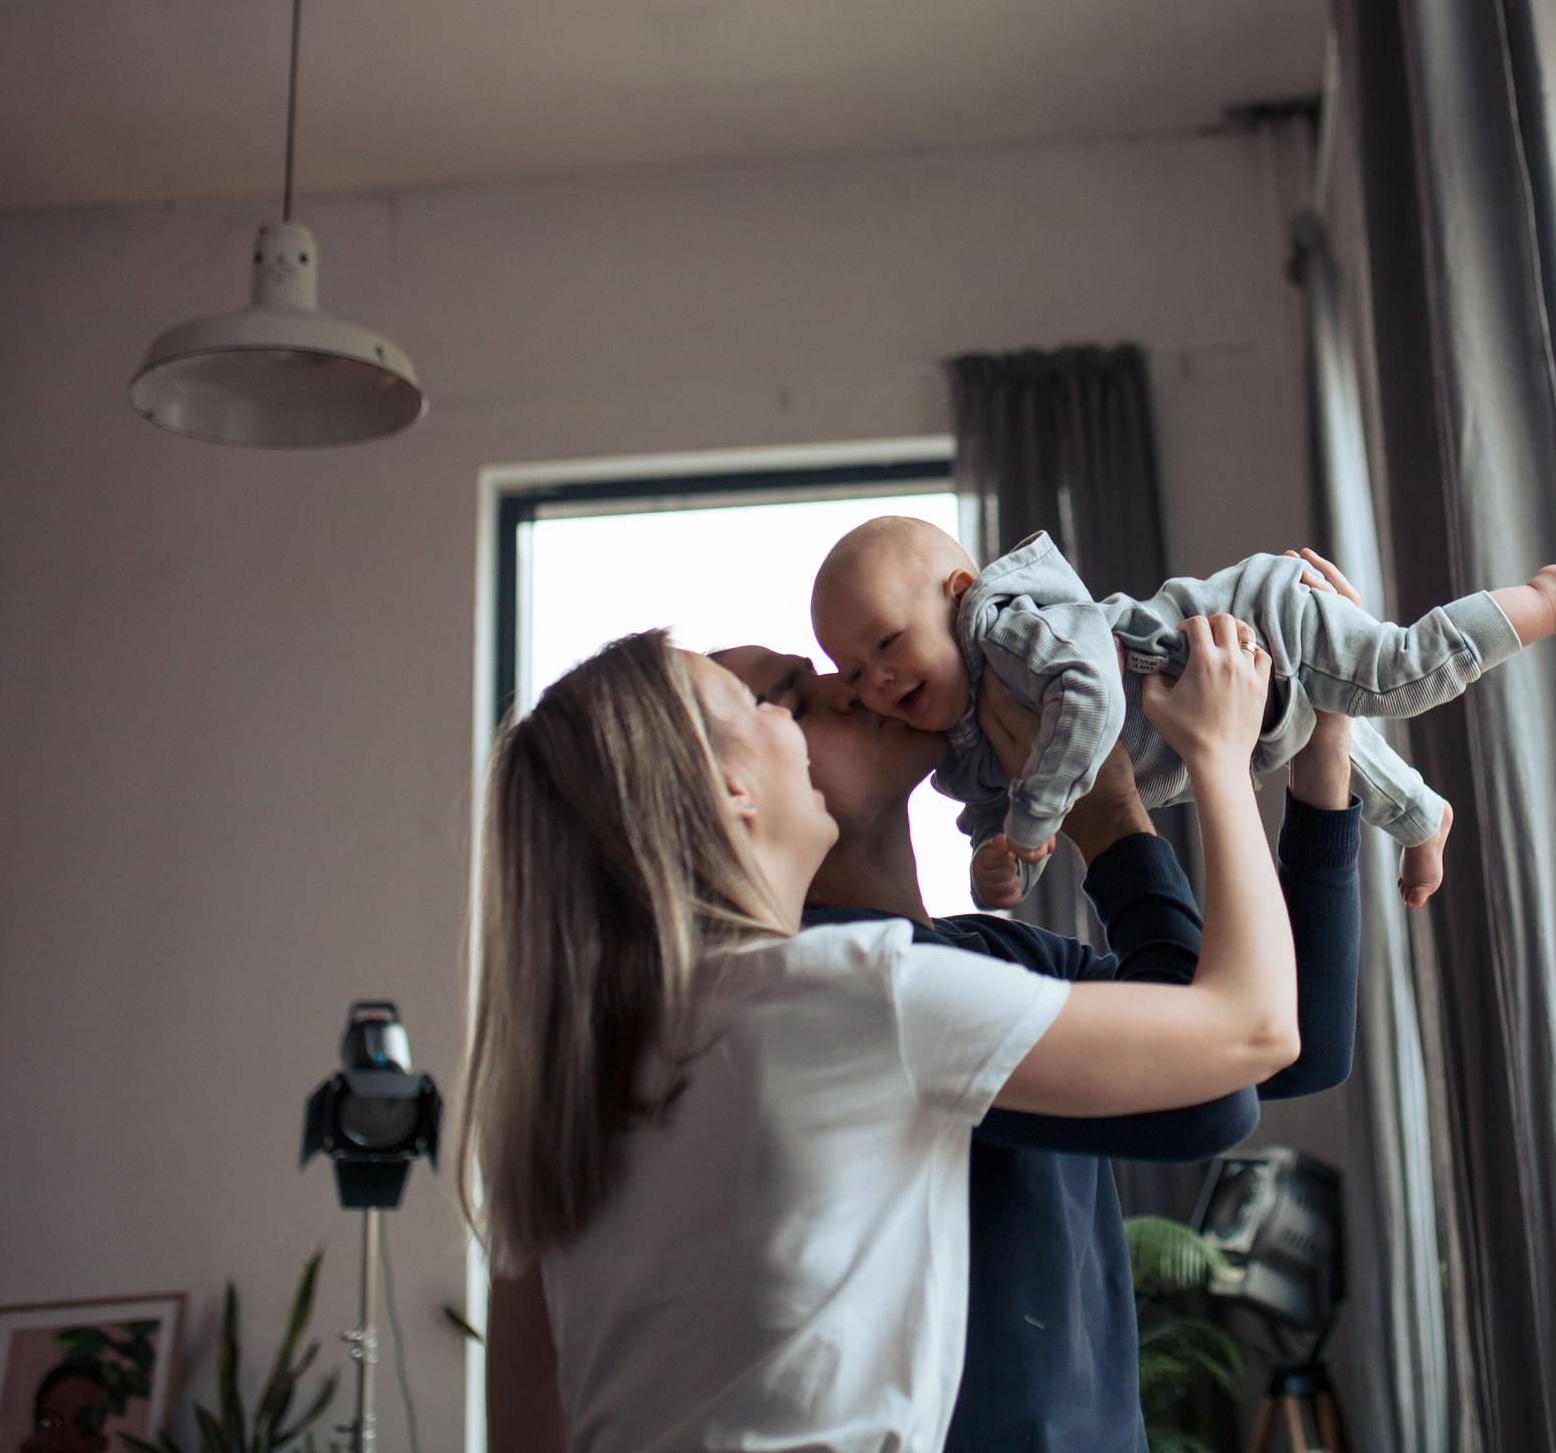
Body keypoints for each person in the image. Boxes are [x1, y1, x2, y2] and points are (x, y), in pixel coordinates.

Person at [489, 558, 1371, 1453]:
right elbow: (1228, 1061)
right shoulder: (848, 995)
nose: (854, 687)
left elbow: (1292, 1051)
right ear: (727, 794)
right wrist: (1155, 793)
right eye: (782, 701)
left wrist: (1324, 743)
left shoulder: (607, 1060)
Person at [811, 522, 1556, 905]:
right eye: (855, 671)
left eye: (889, 641)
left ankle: (1548, 599)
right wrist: (1001, 872)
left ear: (957, 594)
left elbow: (1091, 699)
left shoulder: (1004, 628)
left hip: (1253, 624)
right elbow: (1008, 828)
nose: (879, 679)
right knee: (1334, 739)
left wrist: (1032, 820)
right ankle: (1423, 814)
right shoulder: (962, 749)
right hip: (1252, 717)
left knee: (1395, 674)